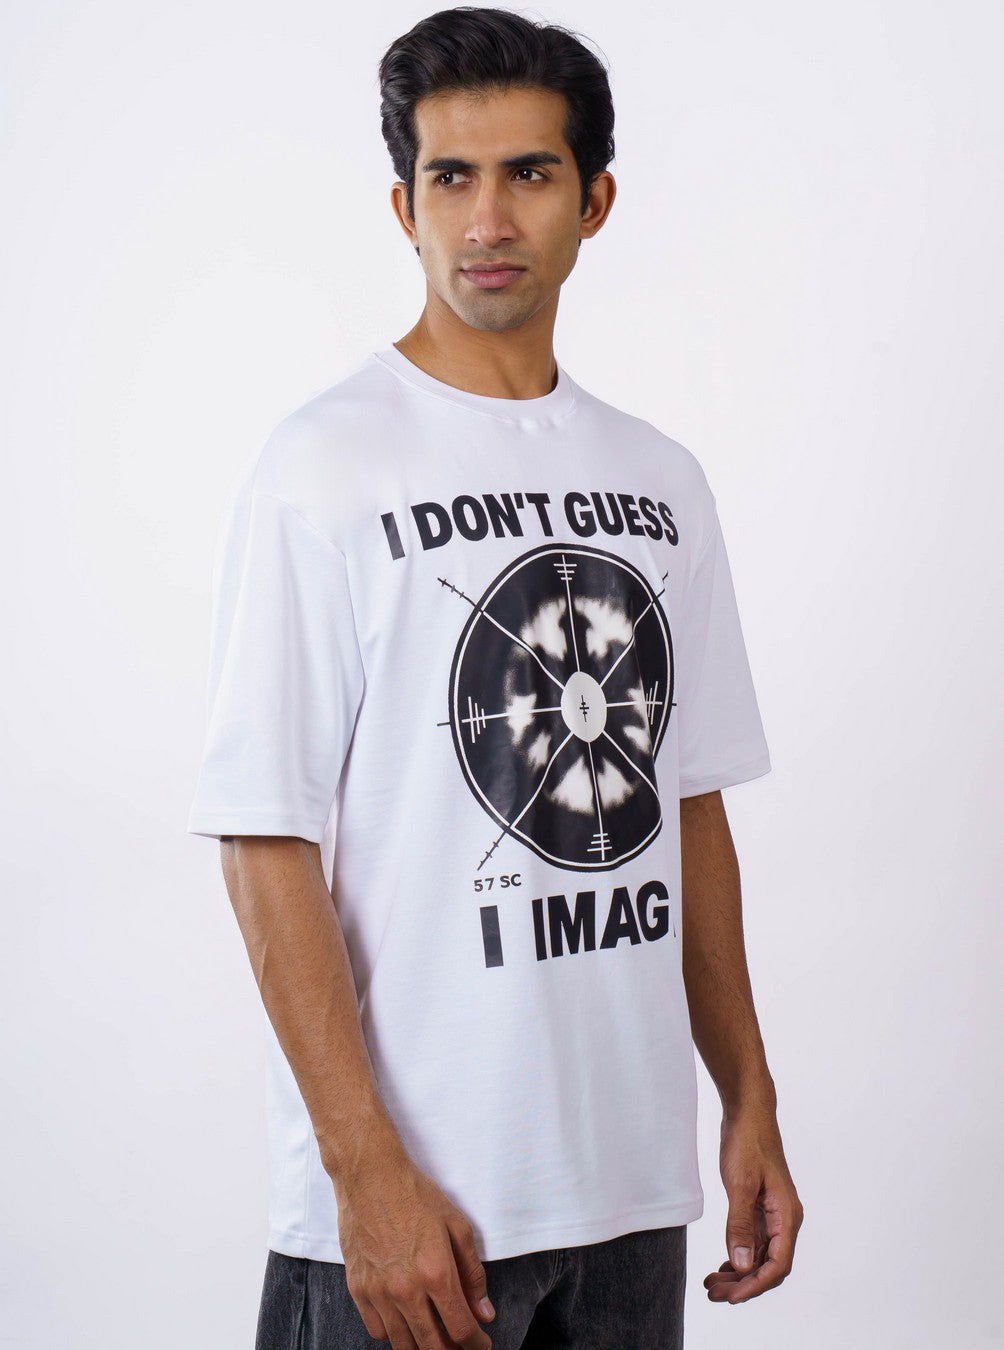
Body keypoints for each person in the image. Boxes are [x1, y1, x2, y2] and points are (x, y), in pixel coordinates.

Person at [186, 7, 803, 1347]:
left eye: (529, 172)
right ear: (402, 207)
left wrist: (747, 1092)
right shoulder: (324, 466)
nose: (487, 219)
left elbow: (686, 807)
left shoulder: (662, 481)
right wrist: (364, 1171)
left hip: (631, 1194)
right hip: (415, 1215)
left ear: (595, 201)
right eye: (450, 177)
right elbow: (263, 839)